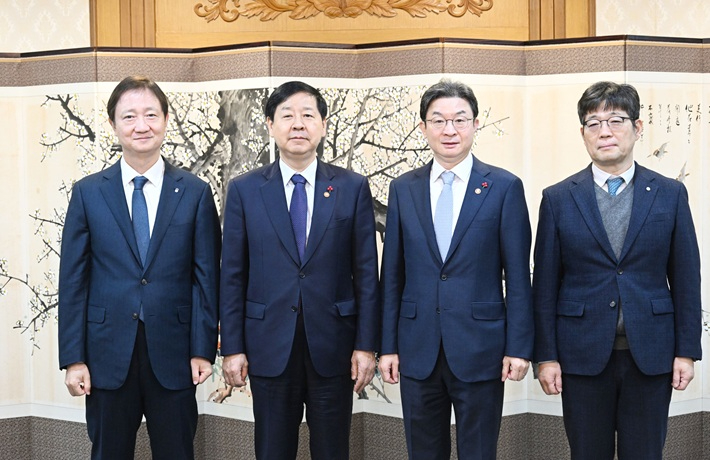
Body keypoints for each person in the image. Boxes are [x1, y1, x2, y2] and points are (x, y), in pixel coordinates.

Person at [532, 81, 702, 460]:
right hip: (580, 356)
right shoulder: (558, 198)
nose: (604, 132)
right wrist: (546, 356)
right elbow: (544, 287)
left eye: (615, 120)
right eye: (593, 123)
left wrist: (686, 352)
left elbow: (686, 279)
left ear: (637, 128)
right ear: (583, 133)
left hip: (651, 355)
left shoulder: (669, 194)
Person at [58, 76, 221, 459]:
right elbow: (73, 281)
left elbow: (206, 279)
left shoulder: (195, 192)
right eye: (129, 116)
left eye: (150, 114)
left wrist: (203, 350)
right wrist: (74, 359)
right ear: (113, 124)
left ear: (165, 119)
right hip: (106, 354)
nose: (141, 125)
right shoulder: (88, 192)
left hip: (175, 353)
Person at [219, 81, 380, 460]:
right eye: (287, 116)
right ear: (270, 125)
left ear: (323, 124)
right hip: (268, 347)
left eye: (308, 115)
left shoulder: (351, 188)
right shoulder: (244, 190)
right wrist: (233, 348)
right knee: (273, 451)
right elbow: (232, 276)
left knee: (332, 451)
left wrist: (366, 346)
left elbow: (366, 274)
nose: (298, 124)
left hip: (335, 347)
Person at [378, 80, 533, 460]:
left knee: (478, 452)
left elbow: (518, 277)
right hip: (417, 348)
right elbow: (392, 275)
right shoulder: (403, 189)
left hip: (482, 348)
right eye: (439, 120)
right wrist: (387, 346)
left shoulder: (504, 187)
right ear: (423, 127)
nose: (450, 130)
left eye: (460, 120)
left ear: (476, 124)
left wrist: (518, 348)